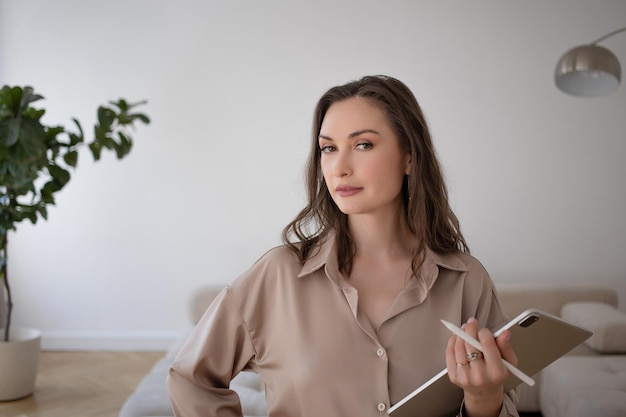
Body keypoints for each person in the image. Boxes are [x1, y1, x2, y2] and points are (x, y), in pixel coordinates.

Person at [167, 75, 519, 417]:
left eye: (362, 145)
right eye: (329, 148)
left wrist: (484, 399)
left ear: (409, 157)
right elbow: (190, 379)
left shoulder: (466, 281)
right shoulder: (277, 275)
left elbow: (502, 401)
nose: (339, 167)